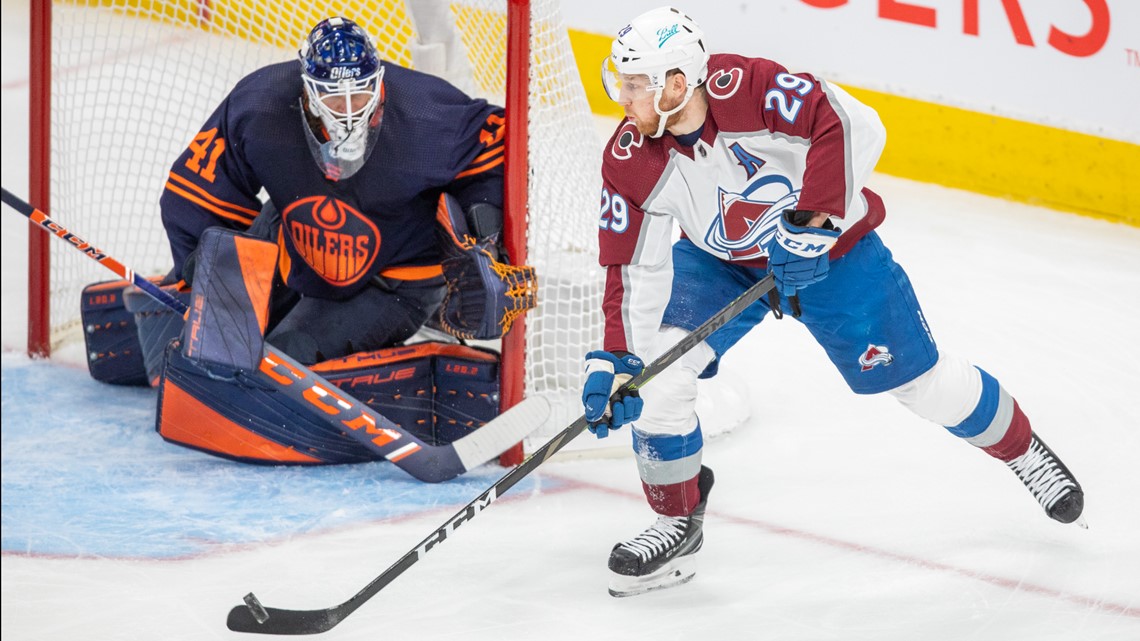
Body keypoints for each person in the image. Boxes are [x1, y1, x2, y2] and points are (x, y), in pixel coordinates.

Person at [581, 6, 1085, 598]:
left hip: (834, 254)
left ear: (675, 84)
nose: (624, 97)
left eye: (636, 84)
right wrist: (619, 358)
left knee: (922, 385)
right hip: (721, 263)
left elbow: (854, 124)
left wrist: (814, 221)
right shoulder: (628, 157)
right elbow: (633, 265)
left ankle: (1022, 450)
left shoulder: (750, 89)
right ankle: (676, 523)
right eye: (623, 82)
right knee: (661, 372)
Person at [159, 16, 510, 366]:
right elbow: (196, 188)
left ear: (378, 82)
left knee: (279, 364)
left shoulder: (425, 114)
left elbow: (494, 148)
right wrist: (204, 258)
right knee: (212, 345)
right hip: (296, 252)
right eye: (333, 97)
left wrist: (485, 230)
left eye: (358, 95)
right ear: (307, 89)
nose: (348, 112)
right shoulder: (261, 104)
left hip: (394, 281)